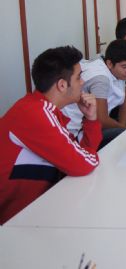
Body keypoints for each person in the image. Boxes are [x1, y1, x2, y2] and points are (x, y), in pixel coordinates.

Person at [0, 46, 101, 224]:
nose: (83, 82)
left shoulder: (41, 108)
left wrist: (91, 119)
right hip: (14, 223)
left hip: (34, 210)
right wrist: (85, 152)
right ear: (62, 85)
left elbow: (81, 155)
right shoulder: (35, 113)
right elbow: (84, 163)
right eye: (78, 77)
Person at [63, 39, 126, 147]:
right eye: (125, 66)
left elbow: (125, 102)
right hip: (78, 131)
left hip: (94, 123)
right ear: (109, 63)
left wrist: (123, 126)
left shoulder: (119, 71)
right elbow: (102, 120)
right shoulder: (101, 79)